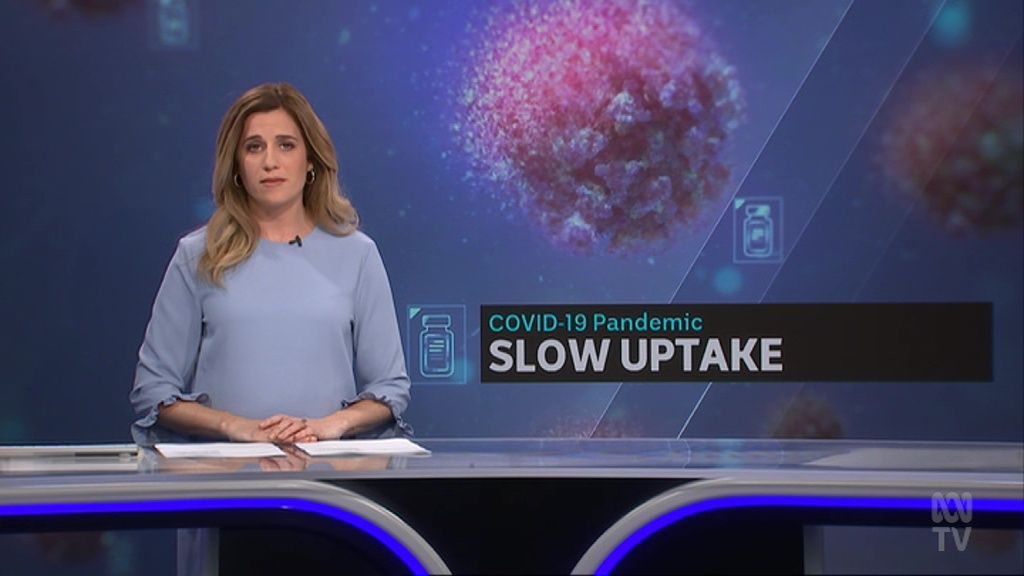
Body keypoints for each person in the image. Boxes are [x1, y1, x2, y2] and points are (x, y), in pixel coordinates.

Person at [129, 83, 411, 445]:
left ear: (310, 160)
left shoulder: (358, 254)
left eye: (286, 145)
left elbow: (389, 387)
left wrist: (331, 425)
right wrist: (234, 426)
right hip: (227, 470)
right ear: (237, 165)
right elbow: (154, 389)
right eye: (254, 147)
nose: (270, 162)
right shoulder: (198, 254)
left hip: (326, 469)